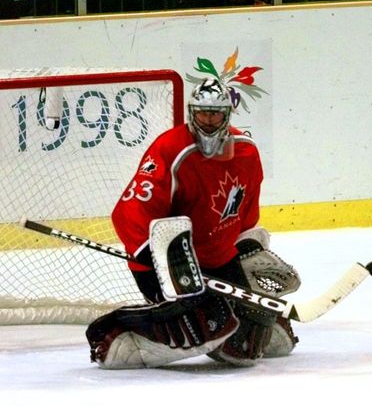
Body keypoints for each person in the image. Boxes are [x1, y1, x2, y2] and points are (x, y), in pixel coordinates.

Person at [85, 77, 301, 369]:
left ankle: (262, 321)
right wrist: (158, 259)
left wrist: (247, 244)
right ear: (191, 113)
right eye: (202, 113)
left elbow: (245, 213)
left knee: (243, 348)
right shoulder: (171, 150)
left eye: (215, 114)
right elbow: (130, 210)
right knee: (205, 325)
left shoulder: (247, 152)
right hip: (169, 263)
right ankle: (119, 334)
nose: (208, 121)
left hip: (217, 258)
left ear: (227, 115)